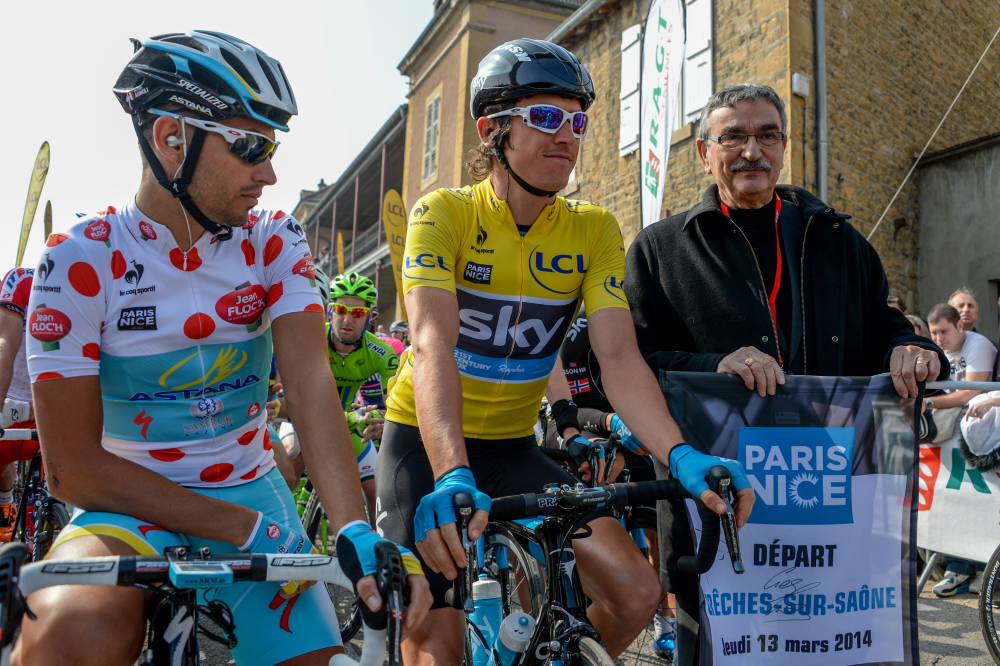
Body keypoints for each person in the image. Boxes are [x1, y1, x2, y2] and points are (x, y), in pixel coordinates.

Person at [16, 31, 428, 666]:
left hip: (250, 495)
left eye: (272, 147)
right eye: (250, 146)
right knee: (65, 640)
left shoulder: (273, 239)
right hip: (126, 508)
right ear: (170, 139)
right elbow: (71, 467)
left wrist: (350, 527)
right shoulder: (80, 258)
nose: (269, 172)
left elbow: (312, 383)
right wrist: (230, 527)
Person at [376, 39, 753, 666]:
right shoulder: (443, 212)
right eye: (546, 118)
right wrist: (450, 471)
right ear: (491, 130)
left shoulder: (593, 229)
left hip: (514, 447)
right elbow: (432, 345)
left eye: (577, 122)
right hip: (426, 444)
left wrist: (681, 454)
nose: (567, 137)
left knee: (635, 592)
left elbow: (620, 359)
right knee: (434, 649)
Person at [624, 83, 947, 664]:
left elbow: (884, 328)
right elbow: (627, 365)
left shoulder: (841, 241)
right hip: (720, 515)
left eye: (767, 135)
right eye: (735, 137)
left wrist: (911, 347)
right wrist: (711, 367)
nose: (753, 151)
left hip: (835, 516)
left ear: (785, 147)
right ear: (704, 152)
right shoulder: (659, 251)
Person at [543, 310, 677, 662]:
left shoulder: (640, 317)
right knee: (602, 461)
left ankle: (666, 621)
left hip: (633, 423)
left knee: (663, 519)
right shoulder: (575, 327)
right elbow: (569, 410)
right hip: (576, 422)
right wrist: (610, 422)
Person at [324, 272, 399, 513]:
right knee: (290, 460)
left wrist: (385, 420)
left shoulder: (381, 353)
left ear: (369, 318)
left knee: (381, 500)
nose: (347, 318)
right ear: (329, 310)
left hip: (351, 421)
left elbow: (397, 407)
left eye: (358, 313)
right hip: (304, 422)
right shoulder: (311, 337)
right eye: (340, 309)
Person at [0, 267, 44, 540]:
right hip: (10, 401)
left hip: (48, 402)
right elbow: (6, 341)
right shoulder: (19, 281)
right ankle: (6, 502)